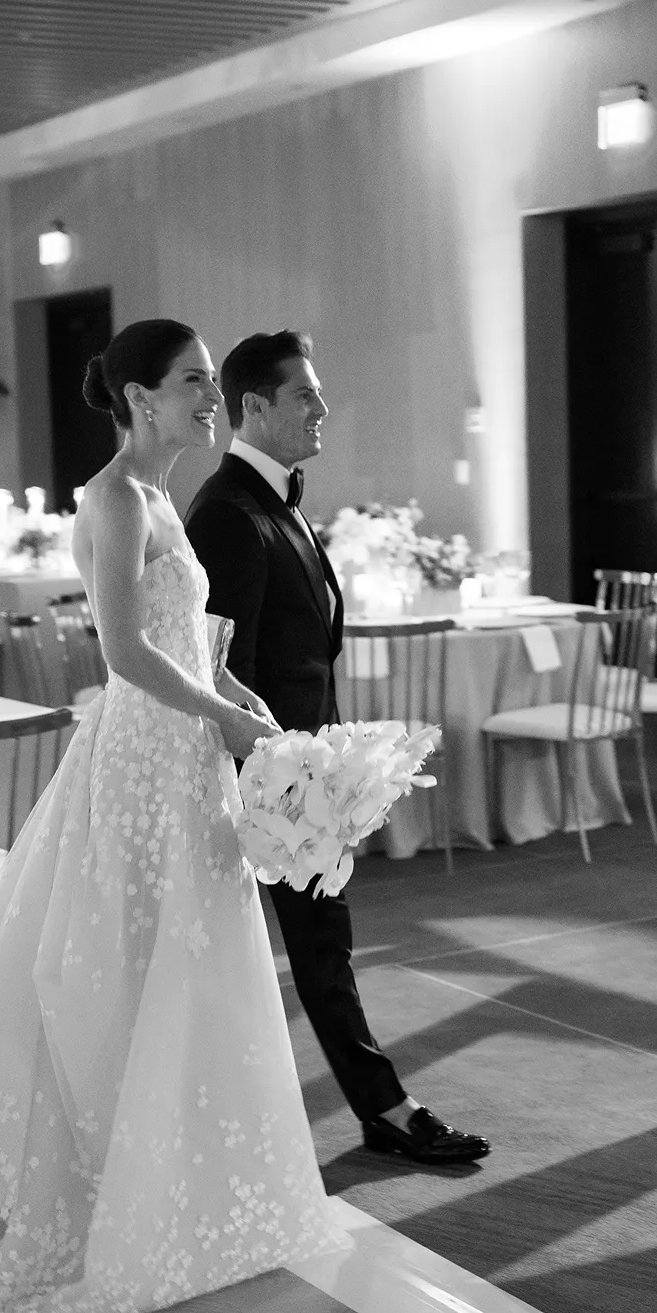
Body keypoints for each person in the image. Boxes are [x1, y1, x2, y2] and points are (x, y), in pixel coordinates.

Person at [0, 319, 348, 1313]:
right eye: (194, 382)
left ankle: (190, 1182)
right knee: (124, 968)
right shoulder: (114, 498)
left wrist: (260, 721)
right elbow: (122, 653)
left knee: (195, 968)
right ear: (139, 398)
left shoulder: (163, 498)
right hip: (138, 767)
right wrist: (224, 717)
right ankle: (113, 1192)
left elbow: (194, 649)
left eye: (210, 381)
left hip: (187, 756)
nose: (211, 397)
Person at [185, 330, 490, 1166]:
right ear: (254, 406)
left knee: (322, 949)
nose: (322, 409)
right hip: (269, 778)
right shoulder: (226, 514)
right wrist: (284, 780)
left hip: (302, 764)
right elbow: (221, 670)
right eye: (304, 396)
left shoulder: (275, 501)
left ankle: (377, 1108)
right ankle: (382, 1111)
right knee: (310, 950)